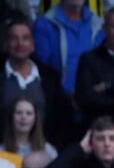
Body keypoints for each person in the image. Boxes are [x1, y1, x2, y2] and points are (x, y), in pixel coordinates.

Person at [31, 0, 105, 96]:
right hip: (58, 100)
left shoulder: (98, 25)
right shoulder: (44, 25)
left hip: (93, 100)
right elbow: (43, 69)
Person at [1, 15, 71, 144]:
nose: (20, 43)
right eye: (14, 38)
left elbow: (62, 120)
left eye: (25, 38)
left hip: (44, 153)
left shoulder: (50, 77)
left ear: (33, 45)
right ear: (5, 45)